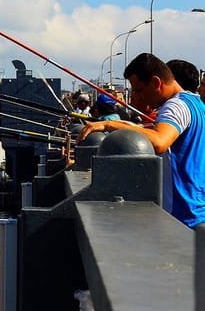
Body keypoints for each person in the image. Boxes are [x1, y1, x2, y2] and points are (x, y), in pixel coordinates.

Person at [79, 53, 205, 228]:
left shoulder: (175, 106)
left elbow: (159, 141)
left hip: (181, 216)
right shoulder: (196, 103)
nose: (139, 97)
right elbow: (153, 132)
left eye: (139, 90)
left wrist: (111, 126)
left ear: (156, 82)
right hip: (196, 212)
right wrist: (113, 123)